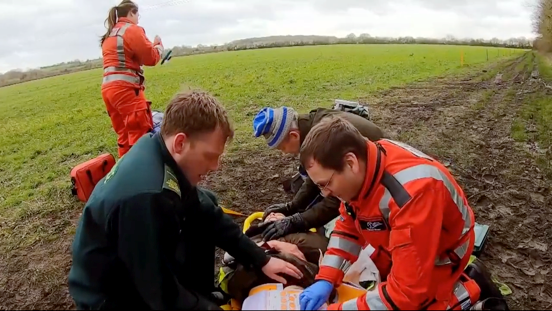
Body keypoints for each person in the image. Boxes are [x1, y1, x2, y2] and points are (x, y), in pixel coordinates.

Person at [67, 90, 303, 310]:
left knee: (206, 202)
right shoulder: (147, 197)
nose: (215, 166)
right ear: (180, 143)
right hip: (113, 296)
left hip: (138, 265)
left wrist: (260, 259)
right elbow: (160, 293)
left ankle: (201, 292)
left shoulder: (159, 150)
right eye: (210, 156)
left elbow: (208, 214)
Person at [296, 115, 482, 310]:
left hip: (443, 253)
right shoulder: (365, 165)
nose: (325, 193)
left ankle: (468, 290)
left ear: (350, 163)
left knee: (414, 302)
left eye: (326, 184)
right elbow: (348, 226)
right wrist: (326, 277)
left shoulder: (412, 195)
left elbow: (405, 294)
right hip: (401, 237)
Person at [252, 106, 386, 241]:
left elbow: (337, 198)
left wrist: (297, 221)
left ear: (293, 135)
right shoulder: (313, 126)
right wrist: (294, 206)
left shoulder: (326, 140)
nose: (284, 153)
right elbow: (317, 177)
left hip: (385, 185)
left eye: (282, 147)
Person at [100, 0, 164, 157]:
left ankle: (125, 173)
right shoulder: (132, 30)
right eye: (137, 15)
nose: (138, 19)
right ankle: (142, 174)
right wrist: (158, 47)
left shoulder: (111, 35)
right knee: (139, 135)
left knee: (124, 136)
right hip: (126, 91)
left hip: (108, 91)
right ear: (131, 13)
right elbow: (150, 58)